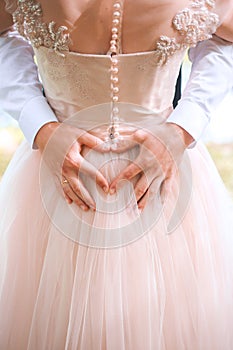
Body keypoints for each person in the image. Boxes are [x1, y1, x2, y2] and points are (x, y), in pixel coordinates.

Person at [0, 0, 233, 349]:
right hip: (52, 182)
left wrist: (184, 126)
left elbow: (225, 37)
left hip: (165, 178)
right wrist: (41, 126)